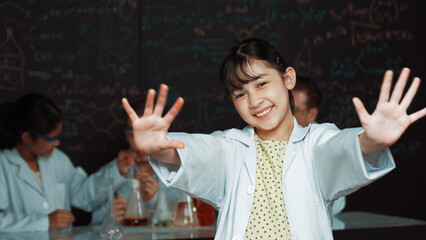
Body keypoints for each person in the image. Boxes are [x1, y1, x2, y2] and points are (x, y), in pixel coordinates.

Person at [121, 38, 426, 239]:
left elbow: (342, 150)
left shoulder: (316, 143)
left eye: (262, 83)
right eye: (240, 93)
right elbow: (196, 153)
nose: (254, 101)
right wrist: (157, 149)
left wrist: (374, 141)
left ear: (288, 78)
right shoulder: (231, 148)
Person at [0, 94, 133, 232]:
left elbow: (84, 196)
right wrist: (45, 222)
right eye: (51, 139)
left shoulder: (57, 159)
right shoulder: (3, 165)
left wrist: (117, 169)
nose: (57, 143)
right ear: (27, 137)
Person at [91, 98, 180, 225]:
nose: (140, 144)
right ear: (126, 136)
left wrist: (155, 200)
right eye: (133, 135)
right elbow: (90, 223)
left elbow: (186, 224)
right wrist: (110, 218)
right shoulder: (113, 171)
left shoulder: (177, 172)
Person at [292, 76, 346, 216]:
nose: (287, 115)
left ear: (312, 114)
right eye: (284, 107)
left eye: (295, 110)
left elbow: (337, 203)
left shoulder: (324, 141)